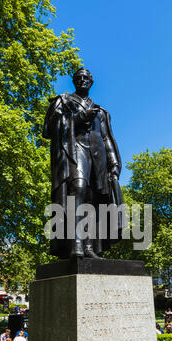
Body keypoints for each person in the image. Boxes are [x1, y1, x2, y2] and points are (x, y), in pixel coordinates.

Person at [42, 67, 124, 259]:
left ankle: (89, 247)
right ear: (74, 81)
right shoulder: (63, 101)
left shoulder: (101, 112)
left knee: (95, 199)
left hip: (98, 156)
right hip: (74, 149)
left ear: (92, 82)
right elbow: (49, 129)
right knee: (78, 188)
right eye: (79, 78)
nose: (82, 80)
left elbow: (107, 138)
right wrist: (77, 118)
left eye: (86, 78)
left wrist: (114, 163)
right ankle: (75, 244)